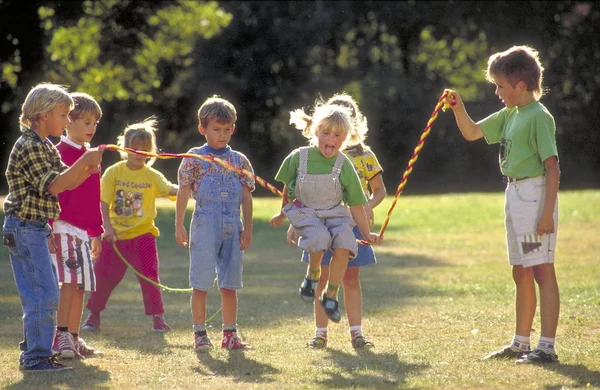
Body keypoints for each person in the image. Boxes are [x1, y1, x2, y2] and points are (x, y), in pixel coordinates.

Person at [443, 45, 560, 364]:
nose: (496, 91)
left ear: (520, 86)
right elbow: (472, 133)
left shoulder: (538, 116)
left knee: (540, 269)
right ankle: (520, 344)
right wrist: (457, 107)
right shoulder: (511, 113)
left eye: (500, 86)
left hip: (535, 196)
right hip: (514, 195)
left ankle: (546, 346)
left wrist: (546, 213)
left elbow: (552, 167)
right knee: (520, 271)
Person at [3, 83, 103, 372]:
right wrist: (84, 161)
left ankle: (36, 351)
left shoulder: (45, 145)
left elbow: (67, 183)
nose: (68, 121)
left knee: (44, 293)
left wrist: (86, 169)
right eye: (64, 115)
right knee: (42, 295)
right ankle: (35, 358)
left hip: (34, 228)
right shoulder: (29, 146)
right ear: (44, 114)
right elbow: (55, 185)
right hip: (24, 228)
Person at [270, 102, 382, 326]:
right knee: (320, 237)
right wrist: (283, 215)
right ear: (315, 131)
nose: (330, 138)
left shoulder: (345, 165)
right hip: (309, 214)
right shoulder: (298, 157)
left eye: (337, 135)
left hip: (335, 214)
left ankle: (330, 294)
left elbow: (357, 204)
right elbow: (288, 190)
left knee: (347, 242)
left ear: (346, 138)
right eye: (326, 132)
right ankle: (312, 276)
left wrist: (367, 233)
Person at [82, 117, 178, 332]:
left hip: (143, 235)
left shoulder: (152, 176)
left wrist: (187, 188)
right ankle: (93, 315)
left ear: (151, 151)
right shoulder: (114, 172)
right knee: (103, 277)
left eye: (144, 149)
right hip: (114, 237)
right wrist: (106, 227)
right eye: (134, 148)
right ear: (124, 148)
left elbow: (170, 189)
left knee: (150, 277)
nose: (139, 153)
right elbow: (103, 201)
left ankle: (158, 319)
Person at [175, 96, 255, 352]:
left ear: (233, 128)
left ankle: (230, 334)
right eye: (216, 129)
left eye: (227, 129)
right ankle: (200, 334)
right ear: (203, 129)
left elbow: (246, 195)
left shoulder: (239, 160)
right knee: (201, 281)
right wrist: (179, 224)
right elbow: (183, 192)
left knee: (230, 282)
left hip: (233, 222)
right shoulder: (194, 158)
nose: (222, 135)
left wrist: (248, 228)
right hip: (205, 221)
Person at [51, 92, 104, 359]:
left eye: (95, 123)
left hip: (84, 232)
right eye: (86, 122)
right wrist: (49, 227)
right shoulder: (57, 153)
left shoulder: (92, 156)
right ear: (68, 121)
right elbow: (52, 193)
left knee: (81, 284)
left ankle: (73, 336)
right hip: (63, 228)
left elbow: (94, 197)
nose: (92, 128)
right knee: (69, 283)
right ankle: (60, 337)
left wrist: (96, 232)